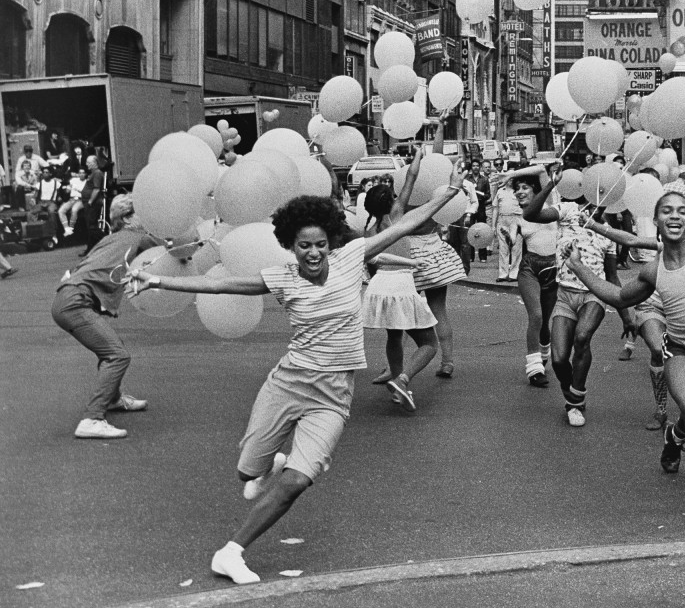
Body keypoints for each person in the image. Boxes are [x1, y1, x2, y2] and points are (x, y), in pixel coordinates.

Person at [127, 180, 463, 585]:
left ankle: (231, 552)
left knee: (299, 479)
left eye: (320, 243)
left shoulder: (352, 256)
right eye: (304, 245)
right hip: (287, 384)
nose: (314, 252)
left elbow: (405, 224)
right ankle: (266, 464)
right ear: (291, 246)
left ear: (331, 240)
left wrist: (446, 195)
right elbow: (221, 284)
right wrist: (159, 281)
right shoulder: (282, 277)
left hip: (334, 394)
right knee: (245, 474)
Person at [567, 151, 685, 519]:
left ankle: (674, 438)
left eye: (681, 211)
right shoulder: (653, 270)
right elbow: (619, 297)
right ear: (655, 220)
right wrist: (579, 269)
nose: (674, 216)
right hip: (680, 351)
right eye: (666, 211)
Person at [587, 207, 685, 430]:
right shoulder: (670, 244)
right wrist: (593, 225)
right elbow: (631, 240)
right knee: (658, 349)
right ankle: (661, 409)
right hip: (652, 305)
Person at [521, 164, 626, 427]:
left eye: (606, 194)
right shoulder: (569, 211)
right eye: (597, 191)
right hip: (565, 296)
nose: (601, 198)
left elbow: (612, 278)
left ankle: (575, 401)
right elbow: (531, 214)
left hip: (594, 294)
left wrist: (628, 316)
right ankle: (573, 392)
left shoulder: (608, 232)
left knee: (582, 337)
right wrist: (550, 185)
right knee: (558, 359)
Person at [50, 195, 157, 439]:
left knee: (109, 349)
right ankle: (92, 418)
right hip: (76, 302)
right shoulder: (139, 237)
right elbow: (172, 251)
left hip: (66, 298)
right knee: (117, 355)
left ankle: (113, 399)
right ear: (128, 218)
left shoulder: (108, 239)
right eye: (142, 212)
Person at [361, 185, 440, 410]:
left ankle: (398, 390)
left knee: (394, 337)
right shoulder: (397, 217)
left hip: (379, 286)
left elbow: (374, 260)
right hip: (400, 284)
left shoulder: (369, 231)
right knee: (429, 343)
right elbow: (410, 181)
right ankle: (402, 379)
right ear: (392, 202)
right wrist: (417, 155)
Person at [395, 145, 468, 379]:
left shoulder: (406, 200)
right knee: (439, 311)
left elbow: (411, 178)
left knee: (404, 317)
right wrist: (438, 129)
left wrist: (417, 159)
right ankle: (448, 361)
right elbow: (439, 160)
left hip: (410, 257)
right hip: (435, 253)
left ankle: (397, 365)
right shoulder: (436, 196)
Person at [507, 165, 559, 386]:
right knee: (536, 316)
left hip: (553, 269)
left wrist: (512, 174)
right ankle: (534, 369)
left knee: (546, 321)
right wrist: (507, 238)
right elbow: (511, 240)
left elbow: (540, 170)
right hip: (530, 269)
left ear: (535, 190)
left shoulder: (551, 203)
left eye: (524, 187)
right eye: (516, 188)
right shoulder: (517, 219)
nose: (519, 191)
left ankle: (543, 354)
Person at [489, 167, 523, 282]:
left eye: (512, 177)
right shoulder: (500, 191)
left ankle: (514, 274)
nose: (510, 180)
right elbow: (495, 209)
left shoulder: (519, 191)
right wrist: (493, 226)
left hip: (516, 219)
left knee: (516, 248)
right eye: (508, 177)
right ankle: (503, 274)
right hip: (503, 220)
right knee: (503, 249)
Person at [58, 167, 88, 237]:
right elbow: (67, 191)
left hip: (81, 200)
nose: (81, 174)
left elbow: (85, 193)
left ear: (85, 174)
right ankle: (67, 229)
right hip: (72, 199)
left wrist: (77, 189)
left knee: (74, 210)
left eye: (83, 173)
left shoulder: (87, 182)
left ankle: (71, 228)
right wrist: (68, 188)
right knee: (61, 211)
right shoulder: (73, 180)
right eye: (80, 173)